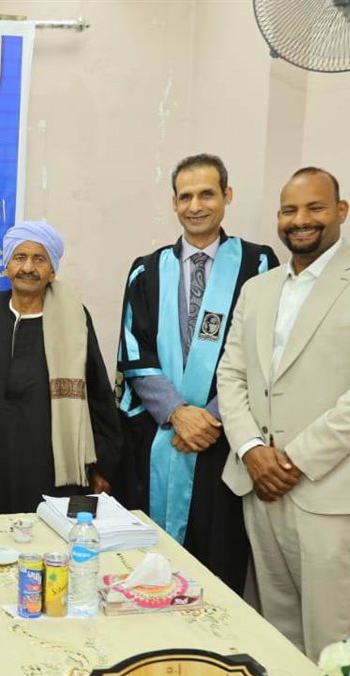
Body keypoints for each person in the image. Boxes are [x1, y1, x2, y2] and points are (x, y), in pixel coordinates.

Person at [217, 167, 350, 658]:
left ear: (341, 211)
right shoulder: (258, 289)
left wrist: (291, 461)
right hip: (259, 484)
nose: (300, 220)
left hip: (331, 487)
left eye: (315, 207)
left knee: (330, 642)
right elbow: (231, 375)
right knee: (277, 633)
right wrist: (251, 450)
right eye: (289, 210)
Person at [116, 154, 279, 595]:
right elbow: (133, 349)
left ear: (227, 195)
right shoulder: (147, 269)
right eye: (185, 196)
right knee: (147, 567)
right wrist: (176, 413)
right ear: (174, 203)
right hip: (161, 435)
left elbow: (265, 352)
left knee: (218, 563)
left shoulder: (259, 265)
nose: (195, 206)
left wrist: (211, 416)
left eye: (206, 194)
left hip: (223, 441)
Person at [0, 221, 121, 514]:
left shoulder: (74, 318)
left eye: (39, 259)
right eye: (20, 257)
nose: (28, 267)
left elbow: (97, 391)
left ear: (52, 271)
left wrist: (102, 464)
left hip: (52, 466)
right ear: (6, 266)